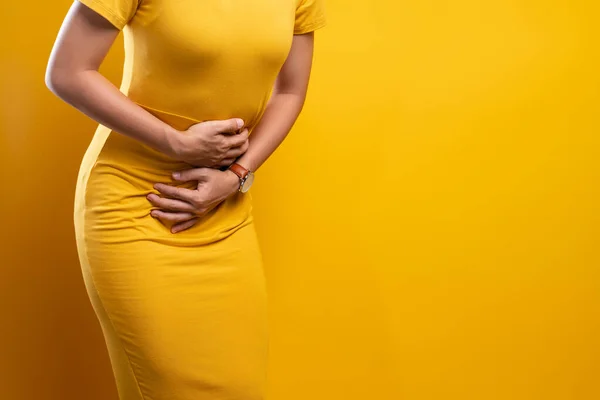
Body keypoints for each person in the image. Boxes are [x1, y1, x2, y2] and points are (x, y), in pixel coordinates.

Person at [45, 0, 326, 398]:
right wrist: (175, 142)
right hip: (137, 203)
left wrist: (237, 175)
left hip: (223, 208)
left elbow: (291, 91)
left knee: (239, 389)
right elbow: (67, 71)